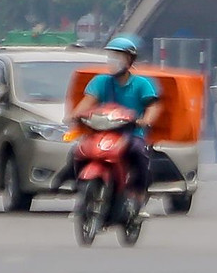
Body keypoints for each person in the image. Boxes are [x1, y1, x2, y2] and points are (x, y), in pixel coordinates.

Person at [69, 36, 161, 197]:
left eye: (118, 57)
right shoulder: (100, 81)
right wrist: (74, 115)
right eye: (111, 56)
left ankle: (139, 195)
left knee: (138, 153)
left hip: (131, 134)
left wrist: (145, 121)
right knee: (78, 151)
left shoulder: (142, 84)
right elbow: (88, 101)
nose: (113, 61)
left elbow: (152, 106)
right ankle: (82, 191)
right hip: (102, 132)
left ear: (129, 60)